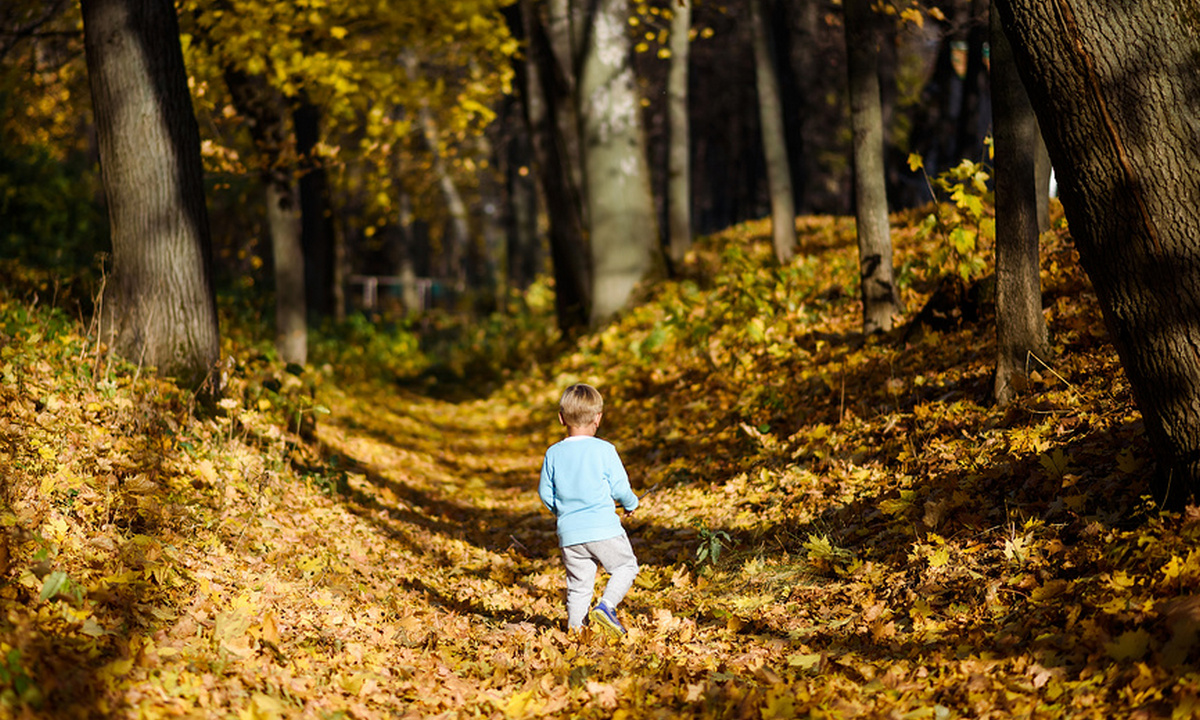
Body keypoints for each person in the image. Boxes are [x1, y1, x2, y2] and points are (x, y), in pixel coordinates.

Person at [538, 383, 640, 635]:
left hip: (570, 534)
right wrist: (631, 503)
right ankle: (606, 606)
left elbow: (544, 493)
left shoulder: (553, 453)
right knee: (625, 567)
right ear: (598, 418)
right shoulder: (604, 450)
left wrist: (562, 513)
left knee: (578, 585)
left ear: (561, 418)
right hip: (603, 528)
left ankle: (576, 633)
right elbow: (619, 487)